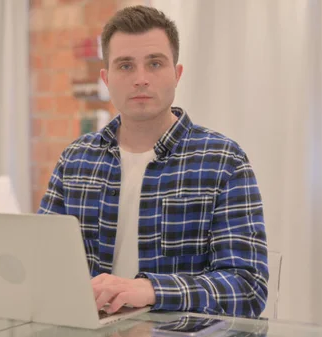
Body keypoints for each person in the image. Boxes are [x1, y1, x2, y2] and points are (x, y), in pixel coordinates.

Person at [38, 5, 268, 318]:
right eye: (125, 66)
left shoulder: (224, 161)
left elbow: (248, 287)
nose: (140, 79)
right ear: (106, 78)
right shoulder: (76, 159)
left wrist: (151, 289)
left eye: (155, 63)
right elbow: (42, 266)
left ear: (177, 73)